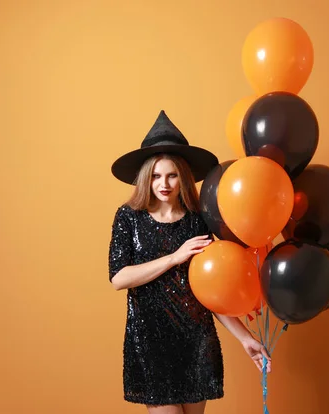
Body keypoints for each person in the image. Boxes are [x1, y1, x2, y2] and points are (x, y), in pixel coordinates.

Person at [108, 110, 271, 414]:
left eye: (171, 175)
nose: (164, 183)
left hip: (196, 342)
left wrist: (246, 339)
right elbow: (119, 278)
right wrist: (174, 257)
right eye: (156, 175)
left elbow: (210, 291)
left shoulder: (198, 221)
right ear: (146, 178)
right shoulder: (128, 218)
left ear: (182, 176)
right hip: (150, 343)